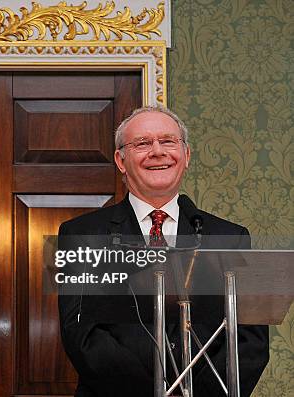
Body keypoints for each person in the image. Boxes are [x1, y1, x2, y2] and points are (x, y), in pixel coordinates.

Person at [58, 106, 268, 396]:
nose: (157, 151)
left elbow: (250, 343)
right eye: (143, 143)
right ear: (121, 160)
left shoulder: (231, 237)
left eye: (168, 141)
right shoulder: (81, 234)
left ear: (186, 156)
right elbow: (81, 335)